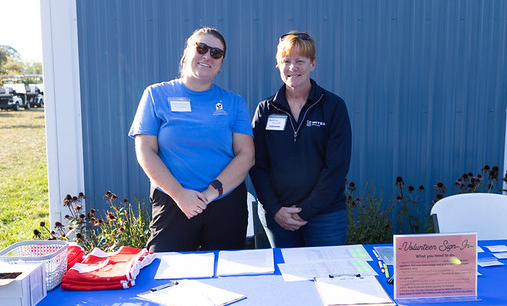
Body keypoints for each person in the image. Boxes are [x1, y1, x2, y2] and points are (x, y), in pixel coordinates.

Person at [129, 27, 255, 252]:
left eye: (216, 53)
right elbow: (145, 150)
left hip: (224, 201)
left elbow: (246, 155)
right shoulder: (156, 95)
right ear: (187, 52)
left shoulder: (234, 103)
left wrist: (209, 194)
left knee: (227, 270)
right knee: (167, 269)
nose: (207, 56)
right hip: (173, 201)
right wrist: (179, 194)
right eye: (201, 48)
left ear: (221, 63)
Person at [251, 31, 352, 248]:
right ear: (278, 65)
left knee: (328, 269)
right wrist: (275, 209)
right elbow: (257, 165)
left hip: (326, 216)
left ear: (312, 64)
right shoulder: (265, 110)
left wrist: (305, 211)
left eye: (300, 61)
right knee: (286, 271)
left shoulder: (333, 107)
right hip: (278, 217)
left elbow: (337, 166)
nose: (292, 68)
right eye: (286, 61)